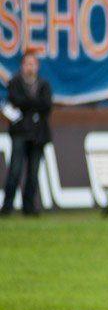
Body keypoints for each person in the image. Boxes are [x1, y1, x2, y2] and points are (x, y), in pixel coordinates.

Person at [2, 52, 52, 216]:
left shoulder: (44, 85)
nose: (30, 67)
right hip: (20, 133)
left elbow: (46, 106)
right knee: (15, 169)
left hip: (38, 135)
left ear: (37, 66)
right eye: (27, 63)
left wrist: (27, 105)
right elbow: (15, 101)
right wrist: (32, 105)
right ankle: (7, 206)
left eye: (33, 64)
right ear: (22, 65)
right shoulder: (15, 82)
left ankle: (29, 206)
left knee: (33, 172)